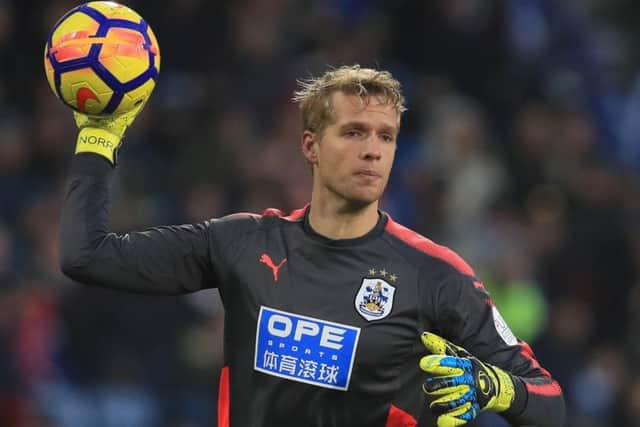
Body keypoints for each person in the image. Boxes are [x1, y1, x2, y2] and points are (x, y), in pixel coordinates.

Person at [59, 65, 565, 427]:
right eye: (354, 131)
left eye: (386, 136)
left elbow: (549, 401)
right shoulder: (242, 242)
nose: (373, 149)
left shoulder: (435, 273)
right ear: (310, 146)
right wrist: (98, 137)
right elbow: (87, 256)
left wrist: (493, 387)